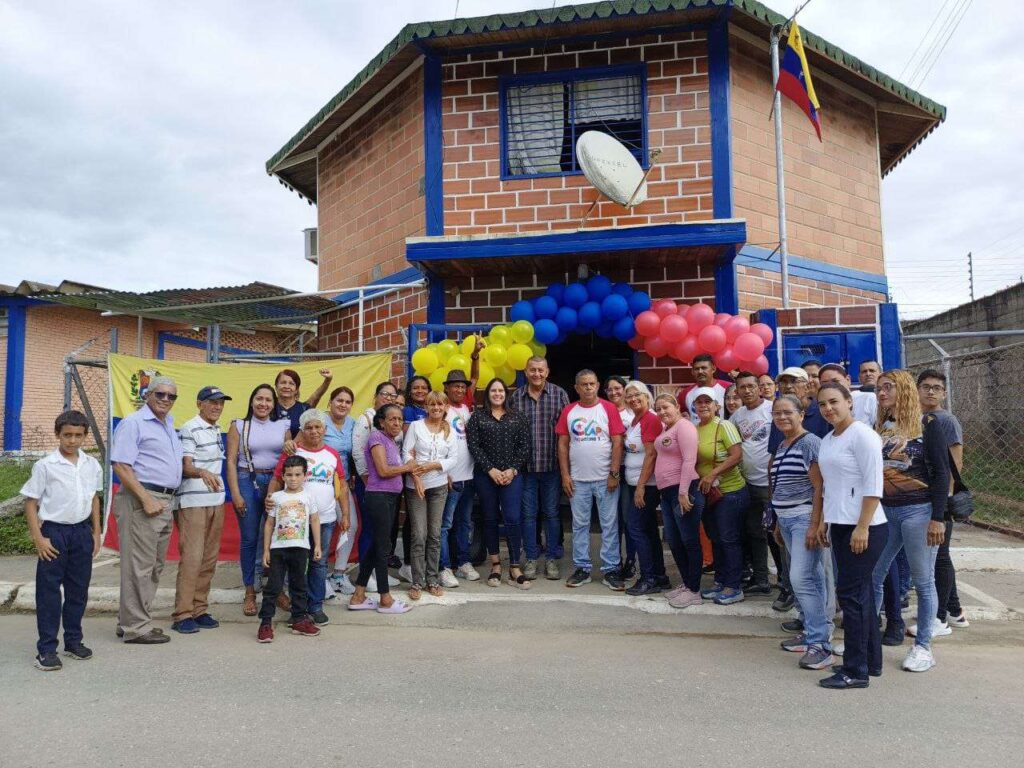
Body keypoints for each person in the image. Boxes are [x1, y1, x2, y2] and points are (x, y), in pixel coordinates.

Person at [870, 370, 946, 673]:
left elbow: (942, 474)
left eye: (888, 387)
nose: (881, 393)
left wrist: (938, 518)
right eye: (878, 389)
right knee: (874, 574)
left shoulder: (928, 425)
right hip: (885, 511)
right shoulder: (882, 427)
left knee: (923, 580)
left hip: (920, 510)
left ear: (903, 389)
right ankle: (864, 638)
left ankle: (923, 647)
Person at [814, 381, 886, 689]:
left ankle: (855, 671)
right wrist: (824, 522)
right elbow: (832, 486)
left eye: (834, 401)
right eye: (822, 404)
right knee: (861, 595)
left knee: (851, 597)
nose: (828, 408)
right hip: (841, 524)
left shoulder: (864, 436)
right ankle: (871, 660)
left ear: (849, 402)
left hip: (865, 527)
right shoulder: (829, 439)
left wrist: (862, 527)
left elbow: (873, 487)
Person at [21, 410, 102, 671]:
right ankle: (46, 649)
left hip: (81, 533)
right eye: (67, 435)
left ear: (85, 436)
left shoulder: (91, 464)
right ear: (58, 435)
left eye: (78, 435)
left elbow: (94, 498)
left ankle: (73, 641)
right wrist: (39, 538)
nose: (73, 441)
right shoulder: (45, 465)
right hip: (54, 533)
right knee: (49, 593)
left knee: (78, 590)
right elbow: (31, 502)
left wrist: (96, 532)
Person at [110, 376, 183, 644]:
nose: (165, 399)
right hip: (143, 500)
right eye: (160, 394)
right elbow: (120, 465)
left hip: (164, 500)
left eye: (171, 396)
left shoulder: (168, 424)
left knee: (152, 566)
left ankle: (130, 620)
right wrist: (146, 499)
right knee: (138, 566)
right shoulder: (134, 423)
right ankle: (136, 628)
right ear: (148, 395)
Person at [768, 395, 833, 670]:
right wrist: (776, 523)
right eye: (777, 413)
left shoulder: (810, 443)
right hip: (786, 520)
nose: (782, 417)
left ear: (801, 414)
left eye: (787, 413)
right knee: (812, 579)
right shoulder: (783, 444)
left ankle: (821, 645)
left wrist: (815, 524)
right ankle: (811, 632)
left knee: (801, 579)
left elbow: (820, 487)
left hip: (803, 517)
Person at [267, 409, 348, 626]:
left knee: (319, 564)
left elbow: (342, 485)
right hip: (296, 520)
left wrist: (345, 514)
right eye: (309, 427)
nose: (314, 431)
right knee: (295, 563)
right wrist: (269, 498)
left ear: (325, 429)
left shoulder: (332, 454)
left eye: (318, 427)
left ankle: (316, 606)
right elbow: (277, 479)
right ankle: (298, 608)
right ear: (302, 430)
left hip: (326, 519)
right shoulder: (294, 452)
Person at [556, 369, 626, 590]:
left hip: (605, 479)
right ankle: (582, 568)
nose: (588, 388)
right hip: (578, 480)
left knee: (609, 525)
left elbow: (617, 442)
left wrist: (614, 473)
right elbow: (563, 445)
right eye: (583, 384)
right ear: (576, 388)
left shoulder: (608, 408)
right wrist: (565, 475)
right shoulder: (569, 410)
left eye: (592, 384)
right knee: (579, 525)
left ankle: (611, 569)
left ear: (597, 386)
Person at [225, 384, 291, 616]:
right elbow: (231, 461)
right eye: (259, 399)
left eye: (268, 400)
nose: (263, 404)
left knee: (278, 538)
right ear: (251, 401)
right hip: (247, 481)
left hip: (276, 482)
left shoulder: (283, 425)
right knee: (250, 539)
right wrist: (235, 493)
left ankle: (277, 589)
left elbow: (288, 458)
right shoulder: (239, 425)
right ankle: (250, 591)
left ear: (274, 404)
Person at [172, 385, 231, 634]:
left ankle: (199, 609)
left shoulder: (216, 429)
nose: (217, 407)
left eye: (220, 403)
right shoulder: (189, 428)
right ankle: (182, 614)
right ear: (199, 403)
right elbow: (185, 466)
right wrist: (202, 471)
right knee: (192, 559)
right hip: (193, 502)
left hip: (215, 501)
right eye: (212, 402)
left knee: (208, 559)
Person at [349, 404, 416, 614]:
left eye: (399, 419)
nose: (396, 423)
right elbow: (384, 471)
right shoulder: (376, 438)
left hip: (389, 498)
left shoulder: (391, 441)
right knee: (383, 548)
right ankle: (385, 598)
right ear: (382, 421)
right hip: (378, 497)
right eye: (392, 419)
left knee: (376, 546)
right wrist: (408, 467)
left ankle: (358, 595)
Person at [467, 378, 532, 589]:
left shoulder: (517, 417)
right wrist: (490, 469)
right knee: (490, 518)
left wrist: (512, 470)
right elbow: (474, 445)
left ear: (506, 394)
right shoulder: (477, 417)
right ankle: (495, 565)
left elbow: (525, 447)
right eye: (493, 391)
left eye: (501, 390)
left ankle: (514, 567)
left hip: (512, 475)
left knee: (513, 518)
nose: (497, 394)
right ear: (488, 394)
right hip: (486, 476)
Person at [510, 355, 570, 580]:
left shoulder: (559, 395)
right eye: (532, 370)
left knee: (553, 514)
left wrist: (567, 469)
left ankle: (552, 558)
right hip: (525, 469)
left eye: (540, 370)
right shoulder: (516, 397)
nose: (536, 374)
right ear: (526, 372)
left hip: (552, 467)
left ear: (547, 372)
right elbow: (511, 432)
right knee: (528, 515)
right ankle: (532, 558)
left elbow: (567, 433)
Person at [918, 369, 968, 631]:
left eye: (936, 388)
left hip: (941, 499)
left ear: (944, 393)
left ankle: (938, 617)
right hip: (924, 495)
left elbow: (954, 463)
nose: (930, 391)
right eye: (926, 386)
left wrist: (945, 502)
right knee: (938, 556)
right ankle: (956, 611)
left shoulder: (946, 420)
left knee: (940, 557)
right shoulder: (920, 418)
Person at [693, 388, 749, 606]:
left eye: (708, 402)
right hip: (709, 494)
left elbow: (737, 455)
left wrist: (713, 474)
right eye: (699, 402)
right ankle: (720, 580)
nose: (703, 406)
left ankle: (734, 586)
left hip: (730, 492)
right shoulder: (695, 429)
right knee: (715, 537)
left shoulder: (724, 425)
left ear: (717, 405)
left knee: (729, 538)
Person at [257, 455, 322, 642]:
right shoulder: (276, 498)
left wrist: (317, 545)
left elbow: (314, 520)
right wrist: (266, 550)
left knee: (299, 585)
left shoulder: (309, 497)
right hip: (278, 549)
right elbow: (269, 524)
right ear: (283, 476)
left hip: (301, 548)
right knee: (273, 587)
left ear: (305, 475)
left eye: (297, 474)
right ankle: (265, 624)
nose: (293, 478)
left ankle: (299, 620)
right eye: (289, 475)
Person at [402, 390, 456, 599]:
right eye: (432, 405)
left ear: (445, 408)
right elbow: (406, 453)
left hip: (439, 486)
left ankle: (432, 579)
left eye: (440, 405)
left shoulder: (448, 431)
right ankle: (417, 581)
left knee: (434, 534)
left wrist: (433, 465)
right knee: (419, 534)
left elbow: (453, 458)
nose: (436, 408)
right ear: (426, 407)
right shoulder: (416, 426)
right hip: (416, 487)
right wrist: (416, 476)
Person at [652, 395, 702, 608]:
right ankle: (686, 583)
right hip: (668, 493)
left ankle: (694, 590)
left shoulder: (684, 426)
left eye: (666, 407)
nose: (662, 412)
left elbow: (690, 459)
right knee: (674, 540)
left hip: (684, 489)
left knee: (689, 540)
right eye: (658, 409)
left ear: (676, 407)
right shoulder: (666, 430)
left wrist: (683, 492)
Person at [351, 381, 401, 590]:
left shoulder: (390, 433)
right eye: (384, 394)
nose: (388, 398)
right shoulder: (368, 423)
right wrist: (366, 480)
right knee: (373, 534)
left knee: (381, 536)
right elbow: (358, 454)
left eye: (392, 395)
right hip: (373, 486)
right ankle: (375, 583)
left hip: (387, 489)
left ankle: (367, 582)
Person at [729, 372, 775, 596]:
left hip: (770, 484)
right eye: (742, 387)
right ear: (736, 390)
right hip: (747, 484)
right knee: (754, 532)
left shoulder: (772, 410)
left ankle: (786, 582)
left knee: (776, 535)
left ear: (759, 387)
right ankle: (761, 579)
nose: (746, 391)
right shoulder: (736, 416)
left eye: (751, 386)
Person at [621, 381, 667, 596]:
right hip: (637, 484)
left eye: (636, 394)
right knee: (648, 531)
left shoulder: (650, 419)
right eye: (628, 396)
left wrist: (640, 487)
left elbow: (651, 454)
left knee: (636, 529)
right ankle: (659, 576)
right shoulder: (635, 420)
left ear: (647, 396)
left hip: (647, 486)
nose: (632, 398)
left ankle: (648, 578)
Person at [440, 364, 482, 587]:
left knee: (464, 522)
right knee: (445, 525)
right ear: (446, 388)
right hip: (449, 478)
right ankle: (444, 567)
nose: (459, 390)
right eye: (454, 386)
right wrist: (444, 472)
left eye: (461, 387)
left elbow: (475, 378)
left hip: (468, 476)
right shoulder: (442, 408)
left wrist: (476, 357)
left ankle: (464, 562)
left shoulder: (466, 406)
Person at [319, 386, 357, 595]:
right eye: (339, 400)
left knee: (350, 524)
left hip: (341, 483)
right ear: (330, 402)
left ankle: (339, 574)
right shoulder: (320, 421)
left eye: (347, 401)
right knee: (323, 527)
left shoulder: (353, 424)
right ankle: (319, 576)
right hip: (319, 482)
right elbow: (300, 444)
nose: (343, 405)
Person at [606, 374, 637, 580]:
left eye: (618, 388)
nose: (615, 392)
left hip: (628, 472)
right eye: (610, 390)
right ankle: (614, 561)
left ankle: (631, 561)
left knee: (628, 519)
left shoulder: (633, 414)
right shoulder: (604, 411)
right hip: (607, 471)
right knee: (611, 520)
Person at [769, 367, 830, 454]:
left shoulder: (823, 411)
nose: (788, 386)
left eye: (794, 381)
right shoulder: (779, 417)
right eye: (783, 382)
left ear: (807, 387)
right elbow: (774, 454)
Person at [274, 368, 333, 436]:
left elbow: (317, 395)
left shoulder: (303, 409)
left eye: (291, 383)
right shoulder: (266, 408)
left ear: (296, 389)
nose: (287, 386)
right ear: (276, 386)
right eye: (283, 382)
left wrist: (328, 380)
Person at [677, 354, 733, 424]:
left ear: (713, 369)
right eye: (697, 369)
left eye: (704, 368)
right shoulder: (685, 394)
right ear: (692, 372)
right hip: (697, 434)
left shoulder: (729, 388)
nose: (700, 371)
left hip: (723, 433)